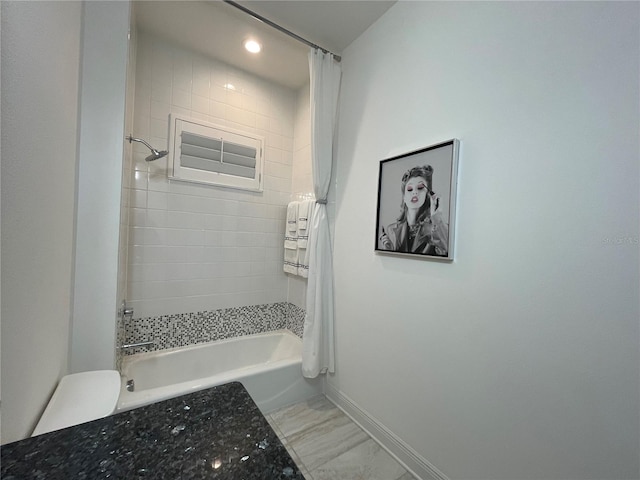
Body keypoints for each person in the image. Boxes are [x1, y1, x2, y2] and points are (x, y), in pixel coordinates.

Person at [379, 165, 448, 256]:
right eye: (410, 189)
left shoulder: (437, 229)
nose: (415, 192)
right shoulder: (391, 230)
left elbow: (444, 252)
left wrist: (437, 217)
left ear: (427, 195)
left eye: (420, 188)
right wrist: (390, 251)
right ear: (404, 197)